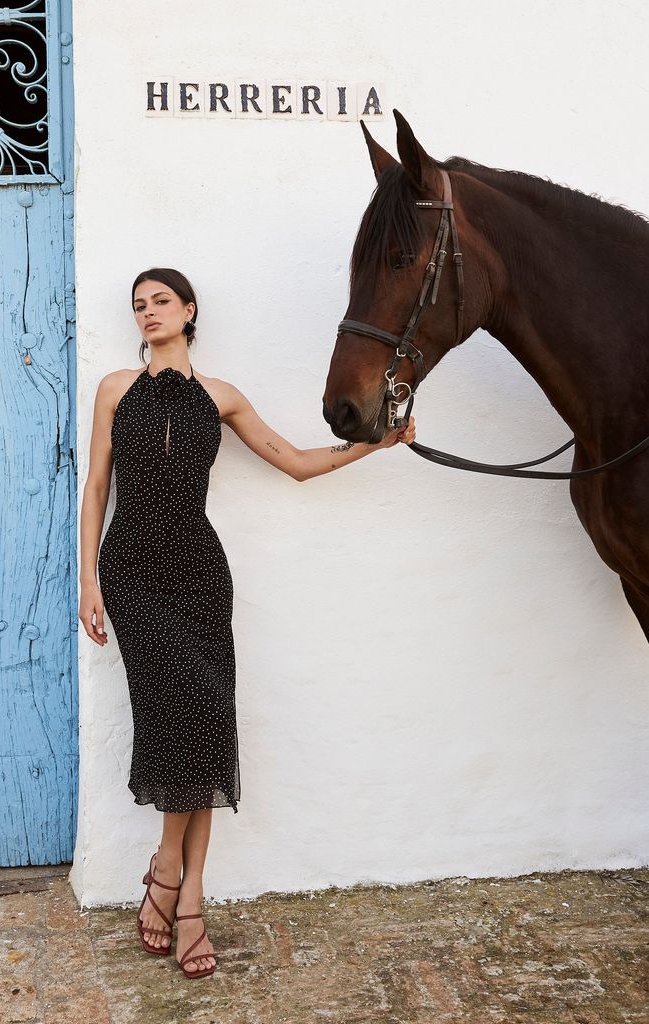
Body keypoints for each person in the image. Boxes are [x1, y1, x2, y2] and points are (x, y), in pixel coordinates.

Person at [78, 267, 415, 979]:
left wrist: (373, 444)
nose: (147, 312)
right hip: (133, 570)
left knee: (207, 716)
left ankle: (179, 886)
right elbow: (97, 487)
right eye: (137, 305)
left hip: (200, 574)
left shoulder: (222, 398)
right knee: (177, 713)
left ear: (189, 310)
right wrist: (87, 580)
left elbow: (292, 461)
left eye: (160, 301)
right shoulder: (113, 388)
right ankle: (173, 880)